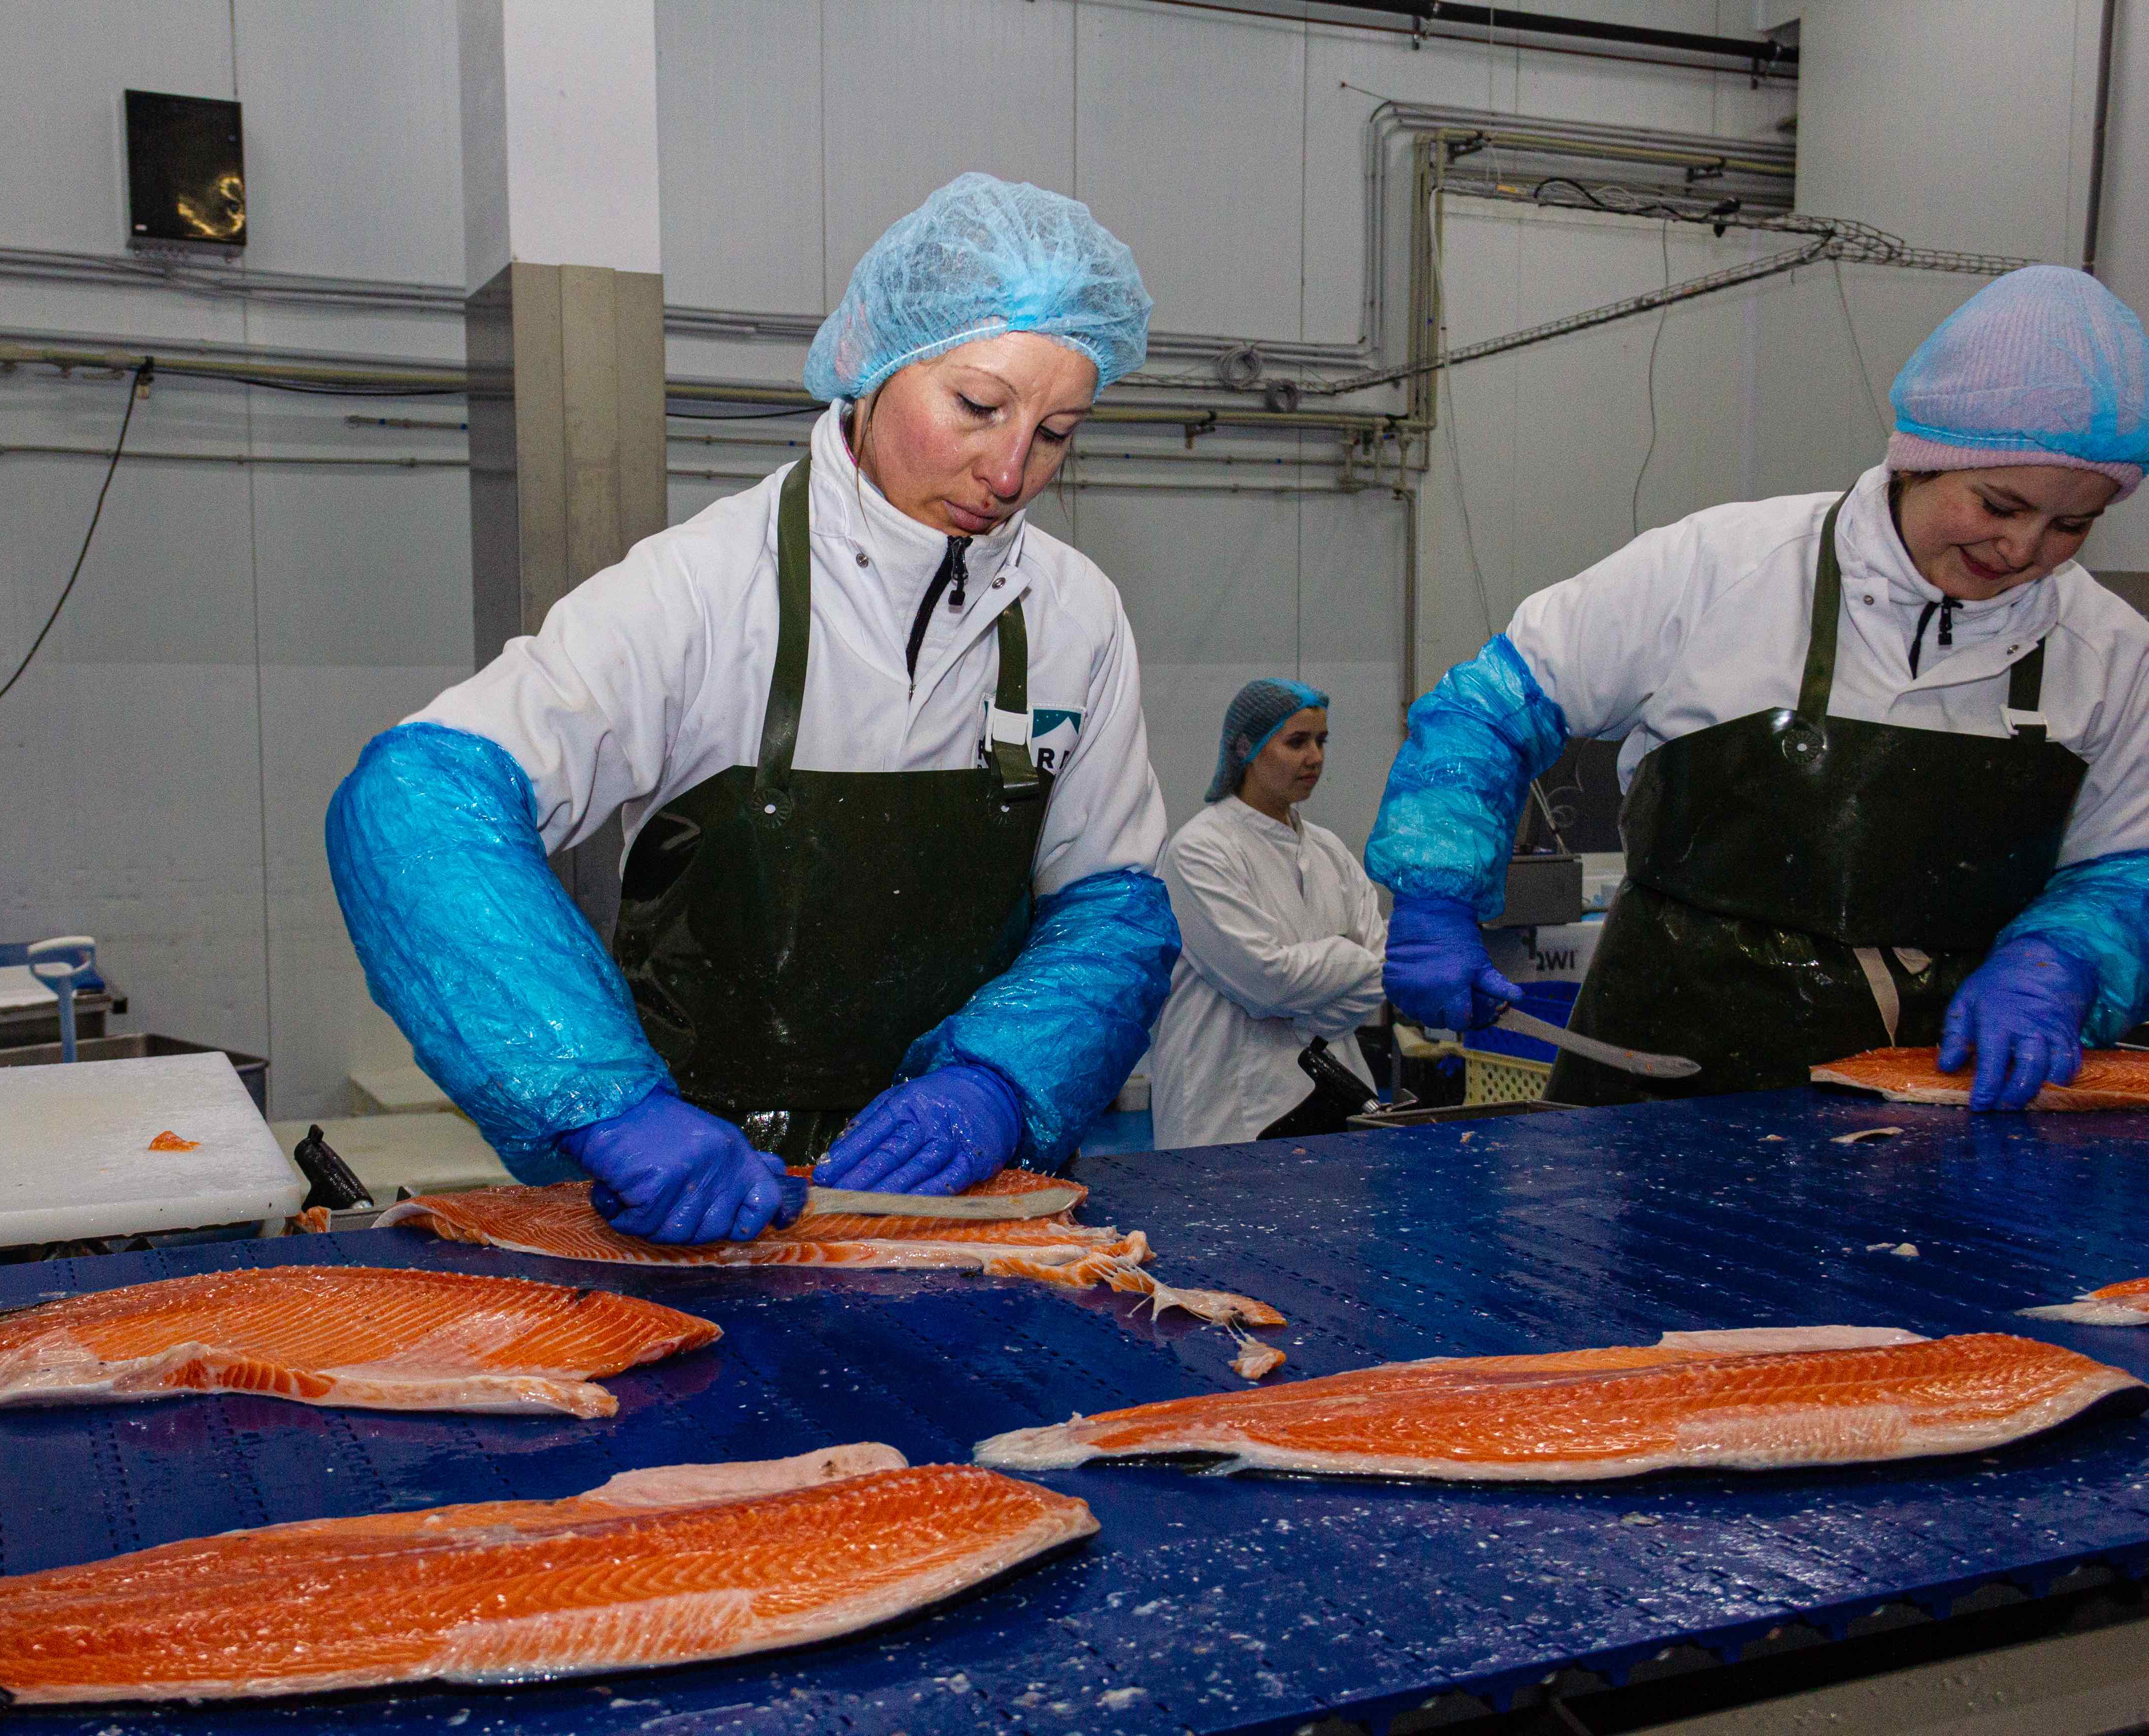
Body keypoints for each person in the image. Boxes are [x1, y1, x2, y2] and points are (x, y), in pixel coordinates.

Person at [328, 173, 1179, 1244]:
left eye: (1056, 431)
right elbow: (418, 801)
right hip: (697, 1199)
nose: (1009, 472)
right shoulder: (699, 590)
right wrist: (613, 1109)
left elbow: (1113, 906)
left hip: (951, 1193)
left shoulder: (1076, 616)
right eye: (977, 406)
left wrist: (1003, 1084)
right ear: (874, 363)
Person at [1366, 265, 2149, 1111]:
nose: (2023, 547)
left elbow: (2125, 866)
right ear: (1920, 461)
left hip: (1940, 1106)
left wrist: (2062, 960)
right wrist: (1434, 890)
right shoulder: (1719, 570)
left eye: (2070, 524)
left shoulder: (2107, 653)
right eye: (1997, 504)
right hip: (1662, 1086)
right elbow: (1486, 712)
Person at [1149, 680, 1387, 1149]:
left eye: (1321, 741)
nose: (1315, 758)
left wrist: (1302, 1015)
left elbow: (1383, 974)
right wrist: (1349, 959)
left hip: (1332, 1100)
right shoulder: (1200, 851)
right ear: (1248, 750)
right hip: (1227, 1110)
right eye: (1296, 742)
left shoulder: (1329, 851)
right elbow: (1266, 979)